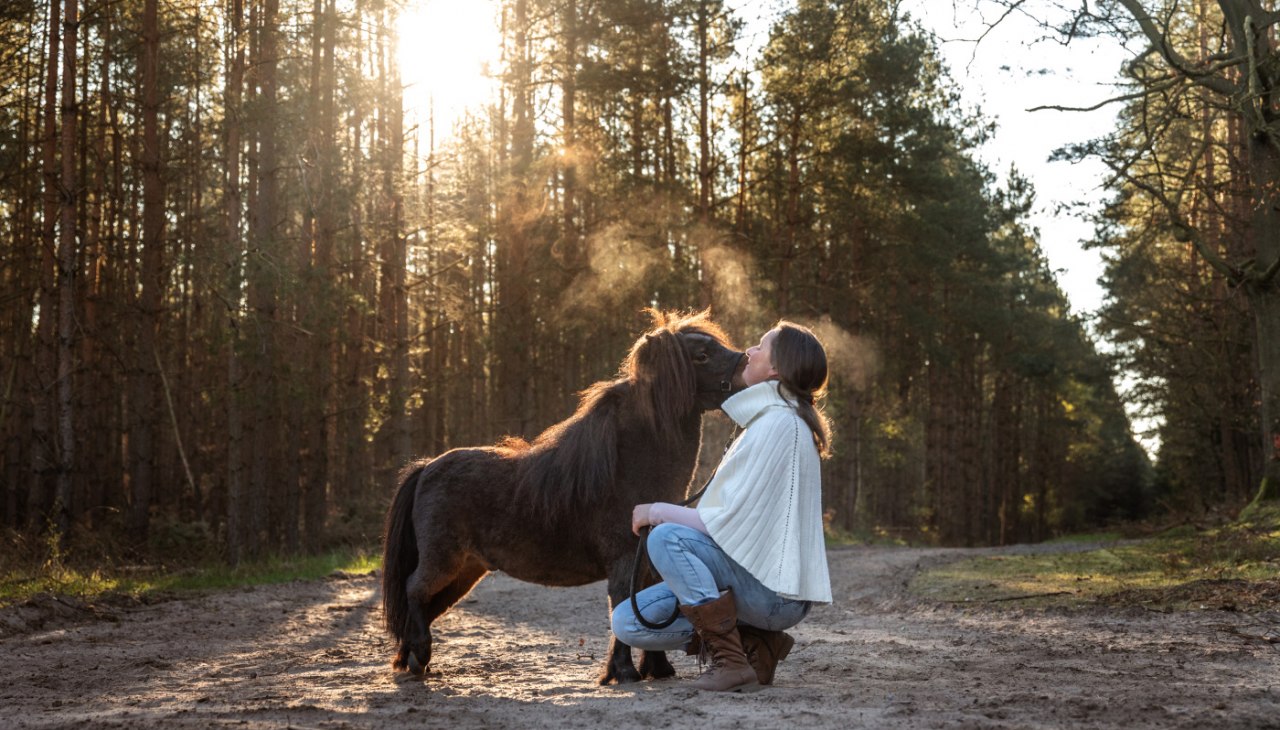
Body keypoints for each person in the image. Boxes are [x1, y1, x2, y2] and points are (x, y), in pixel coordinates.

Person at [612, 321, 833, 692]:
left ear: (776, 369)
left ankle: (730, 662)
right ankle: (754, 645)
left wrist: (656, 511)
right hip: (754, 583)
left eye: (760, 347)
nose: (749, 352)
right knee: (629, 622)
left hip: (772, 595)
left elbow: (725, 523)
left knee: (667, 538)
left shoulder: (780, 425)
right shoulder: (772, 420)